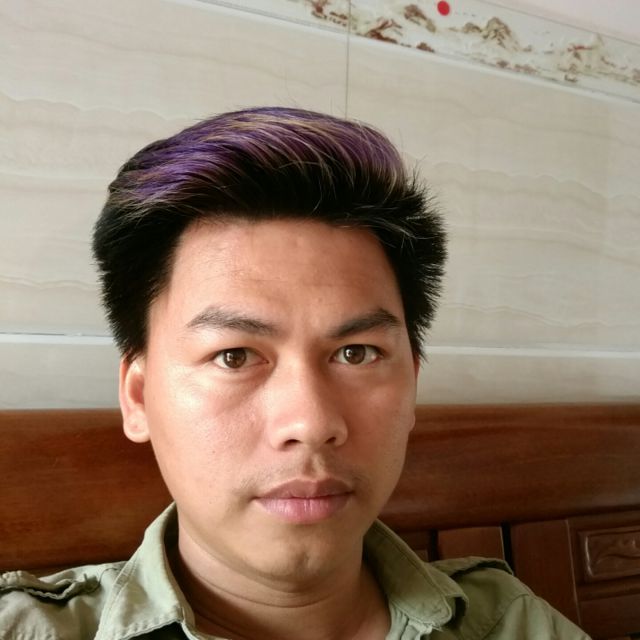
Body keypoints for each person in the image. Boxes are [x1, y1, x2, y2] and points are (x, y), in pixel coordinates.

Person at [0, 107, 589, 639]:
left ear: (412, 384)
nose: (310, 423)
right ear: (138, 397)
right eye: (234, 356)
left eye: (356, 353)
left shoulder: (512, 623)